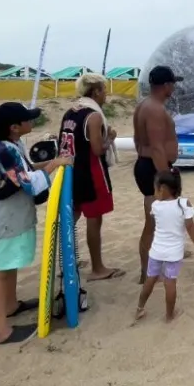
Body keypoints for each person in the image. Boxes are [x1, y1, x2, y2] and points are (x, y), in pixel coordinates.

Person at [0, 102, 71, 345]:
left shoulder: (11, 144)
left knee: (10, 264)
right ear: (14, 127)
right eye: (27, 119)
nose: (32, 122)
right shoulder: (2, 150)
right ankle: (0, 331)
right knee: (0, 270)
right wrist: (55, 164)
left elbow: (26, 169)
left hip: (12, 217)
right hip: (3, 220)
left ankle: (10, 305)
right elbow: (26, 181)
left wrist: (52, 162)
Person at [59, 74, 123, 281]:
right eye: (104, 90)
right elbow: (97, 149)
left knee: (72, 217)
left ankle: (65, 262)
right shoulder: (93, 116)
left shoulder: (70, 112)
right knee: (94, 219)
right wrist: (110, 138)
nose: (106, 94)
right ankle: (98, 268)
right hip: (91, 172)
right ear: (95, 92)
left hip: (72, 171)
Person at [136, 169, 194, 323]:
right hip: (173, 254)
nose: (154, 192)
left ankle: (140, 308)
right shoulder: (183, 204)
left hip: (156, 252)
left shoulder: (155, 206)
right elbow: (190, 227)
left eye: (155, 188)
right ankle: (169, 315)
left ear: (162, 189)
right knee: (170, 283)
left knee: (150, 279)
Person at [133, 65, 181, 284]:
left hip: (147, 165)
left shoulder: (144, 105)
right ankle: (147, 272)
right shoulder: (155, 109)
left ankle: (152, 267)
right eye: (173, 83)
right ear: (166, 85)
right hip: (154, 168)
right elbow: (157, 148)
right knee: (153, 223)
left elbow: (137, 141)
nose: (174, 87)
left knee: (159, 220)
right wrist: (165, 177)